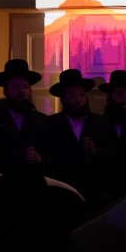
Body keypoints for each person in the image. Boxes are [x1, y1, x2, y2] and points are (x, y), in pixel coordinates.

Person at [44, 68, 115, 207]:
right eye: (72, 96)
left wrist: (96, 151)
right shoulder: (51, 124)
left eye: (82, 95)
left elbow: (113, 153)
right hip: (64, 194)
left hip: (96, 194)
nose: (78, 100)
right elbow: (49, 158)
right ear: (63, 99)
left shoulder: (100, 122)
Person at [0, 59, 50, 176]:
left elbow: (52, 159)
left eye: (25, 86)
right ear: (5, 91)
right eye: (15, 87)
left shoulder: (41, 121)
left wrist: (39, 159)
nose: (21, 91)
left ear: (30, 90)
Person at [99, 69, 126, 200]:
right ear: (110, 95)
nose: (124, 99)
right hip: (109, 188)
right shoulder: (100, 123)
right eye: (119, 93)